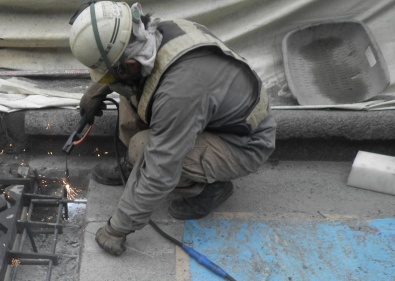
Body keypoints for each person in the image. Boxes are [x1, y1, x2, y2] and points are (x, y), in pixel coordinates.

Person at [68, 1, 276, 256]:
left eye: (107, 74)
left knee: (143, 149)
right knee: (128, 90)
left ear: (130, 62)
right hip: (210, 110)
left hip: (243, 143)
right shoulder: (152, 35)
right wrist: (96, 91)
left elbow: (160, 167)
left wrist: (116, 229)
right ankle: (135, 170)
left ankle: (208, 189)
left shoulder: (180, 91)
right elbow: (129, 69)